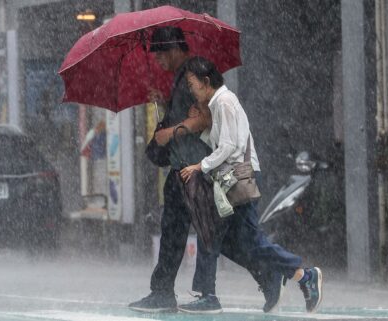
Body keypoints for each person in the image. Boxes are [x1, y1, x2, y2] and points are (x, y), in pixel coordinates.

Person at [128, 26, 283, 314]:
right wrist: (164, 103)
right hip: (183, 170)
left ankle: (262, 275)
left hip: (197, 170)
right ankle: (163, 291)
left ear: (175, 49)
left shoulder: (192, 78)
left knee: (221, 239)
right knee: (179, 233)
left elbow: (203, 119)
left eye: (161, 54)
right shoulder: (180, 80)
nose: (158, 61)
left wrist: (170, 133)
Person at [178, 56, 323, 314]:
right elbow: (224, 141)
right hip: (233, 176)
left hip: (237, 177)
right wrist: (200, 125)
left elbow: (230, 146)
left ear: (206, 81)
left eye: (192, 83)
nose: (191, 89)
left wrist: (201, 166)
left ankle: (302, 275)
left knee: (230, 237)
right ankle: (274, 279)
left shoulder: (224, 101)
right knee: (231, 240)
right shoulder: (219, 103)